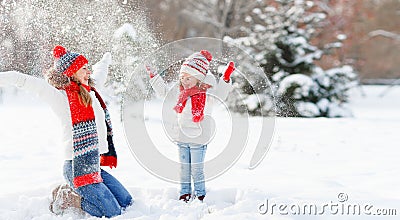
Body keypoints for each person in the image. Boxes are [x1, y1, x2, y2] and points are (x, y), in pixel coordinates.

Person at [0, 45, 132, 217]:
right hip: (74, 166)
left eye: (88, 67)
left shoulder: (89, 91)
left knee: (126, 202)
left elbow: (100, 72)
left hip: (92, 164)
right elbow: (23, 80)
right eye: (84, 68)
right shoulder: (60, 98)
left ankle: (78, 192)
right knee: (111, 212)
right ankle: (69, 198)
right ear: (72, 72)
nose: (88, 72)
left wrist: (107, 58)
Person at [147, 50, 235, 202]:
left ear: (199, 78)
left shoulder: (207, 93)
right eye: (182, 78)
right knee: (184, 169)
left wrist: (226, 78)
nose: (185, 81)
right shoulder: (180, 93)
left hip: (199, 138)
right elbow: (164, 92)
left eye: (188, 78)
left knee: (197, 169)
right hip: (182, 136)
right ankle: (184, 192)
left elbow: (221, 93)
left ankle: (200, 194)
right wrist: (154, 76)